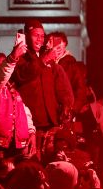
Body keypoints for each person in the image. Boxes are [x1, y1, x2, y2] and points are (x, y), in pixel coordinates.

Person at [10, 21, 74, 158]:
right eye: (35, 35)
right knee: (32, 162)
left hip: (51, 124)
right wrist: (43, 60)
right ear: (26, 36)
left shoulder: (50, 61)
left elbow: (62, 87)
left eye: (42, 35)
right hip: (31, 125)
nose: (40, 39)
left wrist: (66, 104)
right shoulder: (19, 57)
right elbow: (21, 75)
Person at [0, 40, 36, 159]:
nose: (5, 67)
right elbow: (1, 75)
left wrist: (31, 132)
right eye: (1, 65)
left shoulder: (14, 89)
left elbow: (25, 112)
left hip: (19, 146)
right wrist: (12, 57)